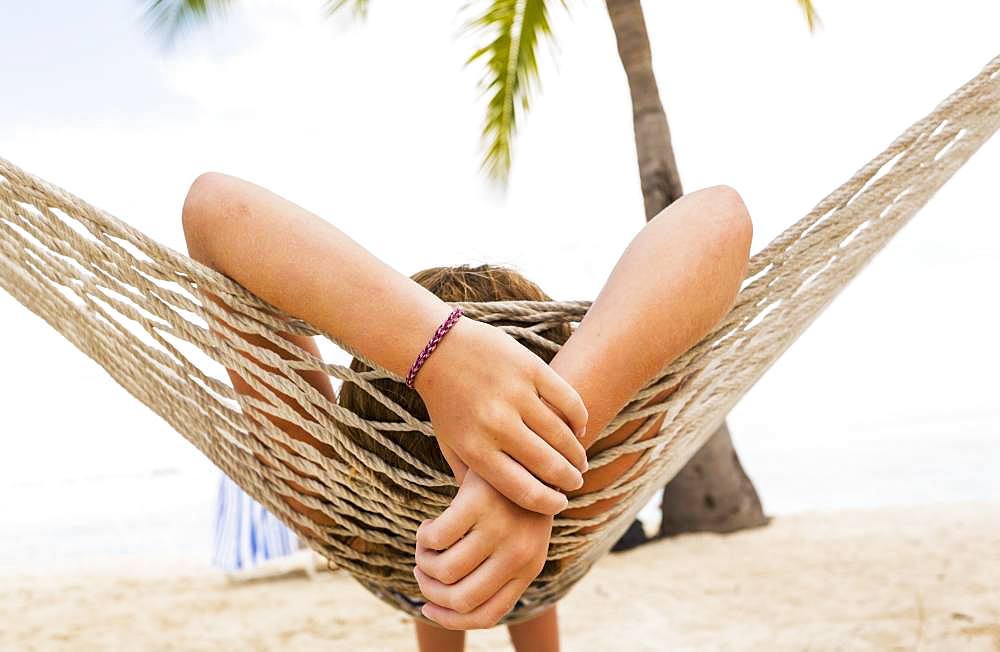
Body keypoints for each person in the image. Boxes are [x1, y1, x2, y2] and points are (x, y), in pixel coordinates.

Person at [181, 174, 752, 651]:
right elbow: (719, 216)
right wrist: (534, 464)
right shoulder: (591, 480)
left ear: (357, 434)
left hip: (398, 557)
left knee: (438, 576)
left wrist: (433, 351)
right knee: (532, 563)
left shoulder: (336, 501)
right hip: (554, 541)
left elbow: (212, 208)